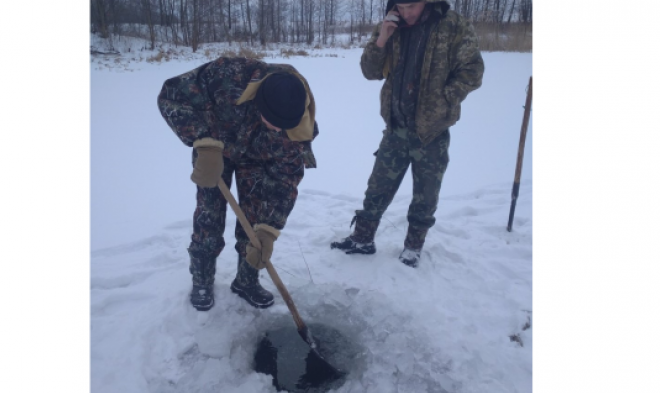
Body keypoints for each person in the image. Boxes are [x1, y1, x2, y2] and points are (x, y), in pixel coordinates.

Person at [330, 0, 484, 267]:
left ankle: (413, 247)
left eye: (411, 6)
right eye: (401, 7)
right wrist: (382, 39)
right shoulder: (390, 26)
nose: (406, 13)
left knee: (426, 194)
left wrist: (444, 99)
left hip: (431, 132)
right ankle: (362, 239)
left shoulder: (453, 26)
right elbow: (370, 72)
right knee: (377, 187)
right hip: (396, 128)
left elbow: (473, 71)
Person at [157, 57, 318, 311]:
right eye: (272, 122)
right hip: (215, 148)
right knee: (209, 216)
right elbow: (171, 96)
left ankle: (247, 281)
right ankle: (202, 280)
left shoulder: (297, 127)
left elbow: (286, 181)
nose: (277, 129)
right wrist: (202, 140)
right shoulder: (228, 75)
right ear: (260, 103)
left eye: (283, 127)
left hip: (257, 157)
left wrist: (270, 229)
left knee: (255, 222)